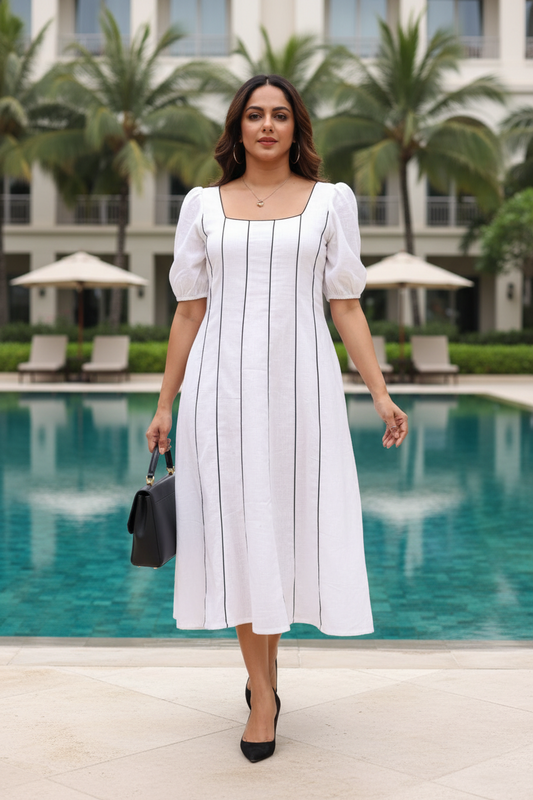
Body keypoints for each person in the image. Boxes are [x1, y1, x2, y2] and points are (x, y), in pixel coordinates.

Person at [146, 74, 408, 763]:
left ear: (297, 128)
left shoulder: (330, 203)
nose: (267, 125)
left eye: (280, 115)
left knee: (280, 528)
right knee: (236, 531)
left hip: (302, 394)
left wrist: (378, 391)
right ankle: (261, 693)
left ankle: (266, 674)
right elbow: (188, 310)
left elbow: (344, 304)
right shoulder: (202, 204)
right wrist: (165, 402)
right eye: (255, 115)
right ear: (237, 128)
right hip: (217, 393)